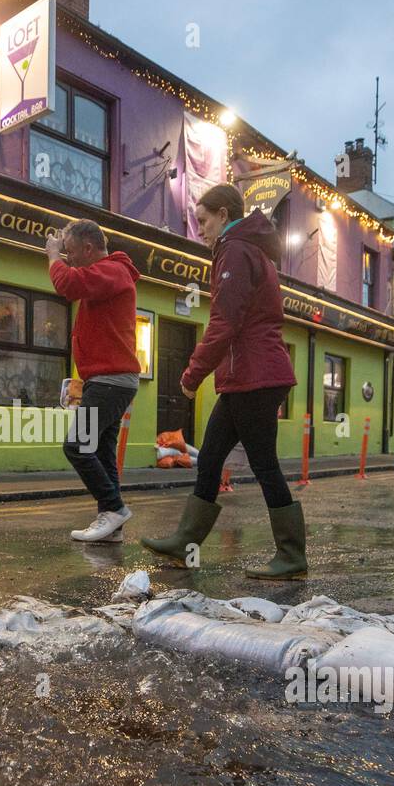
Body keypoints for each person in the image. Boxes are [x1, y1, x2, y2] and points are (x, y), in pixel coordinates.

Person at [142, 184, 304, 579]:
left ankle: (292, 556)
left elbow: (225, 322)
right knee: (211, 459)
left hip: (255, 376)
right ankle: (186, 542)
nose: (200, 229)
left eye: (203, 221)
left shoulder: (235, 249)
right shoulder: (247, 249)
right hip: (245, 378)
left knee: (264, 464)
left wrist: (192, 373)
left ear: (224, 213)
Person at [46, 219, 141, 544]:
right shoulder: (108, 277)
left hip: (111, 381)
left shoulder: (112, 271)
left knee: (77, 446)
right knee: (100, 450)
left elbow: (67, 285)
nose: (68, 258)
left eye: (70, 251)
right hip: (109, 380)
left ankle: (113, 509)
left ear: (89, 248)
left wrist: (52, 257)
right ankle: (113, 525)